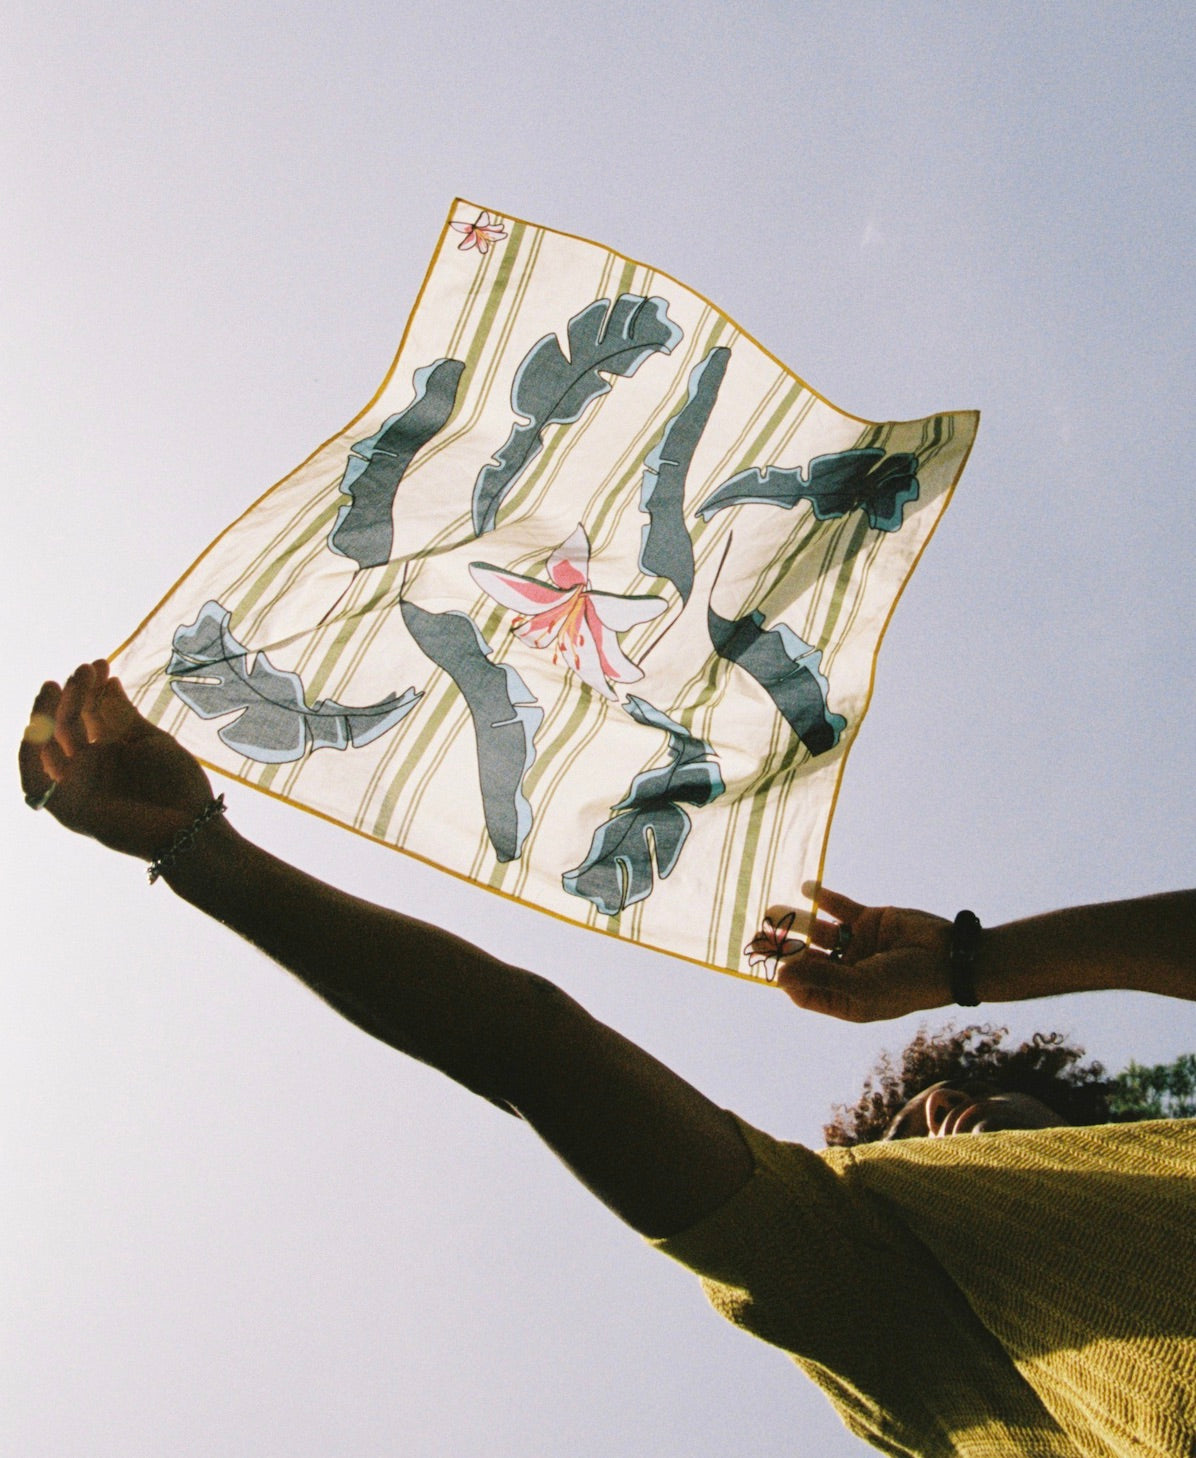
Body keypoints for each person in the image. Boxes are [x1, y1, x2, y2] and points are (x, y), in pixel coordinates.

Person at [20, 661, 1196, 1457]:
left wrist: (965, 963)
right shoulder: (884, 1277)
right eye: (903, 1130)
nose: (937, 1102)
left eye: (975, 1095)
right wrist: (200, 850)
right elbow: (525, 1044)